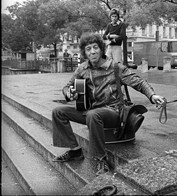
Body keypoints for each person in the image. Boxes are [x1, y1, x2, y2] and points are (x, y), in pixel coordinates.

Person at [51, 32, 166, 175]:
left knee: (93, 115)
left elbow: (139, 82)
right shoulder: (82, 69)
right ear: (84, 53)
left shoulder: (115, 67)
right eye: (88, 49)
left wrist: (152, 95)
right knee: (58, 112)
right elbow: (67, 87)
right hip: (92, 112)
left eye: (95, 47)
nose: (92, 51)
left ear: (101, 48)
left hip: (113, 112)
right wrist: (69, 93)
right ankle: (75, 151)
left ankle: (100, 159)